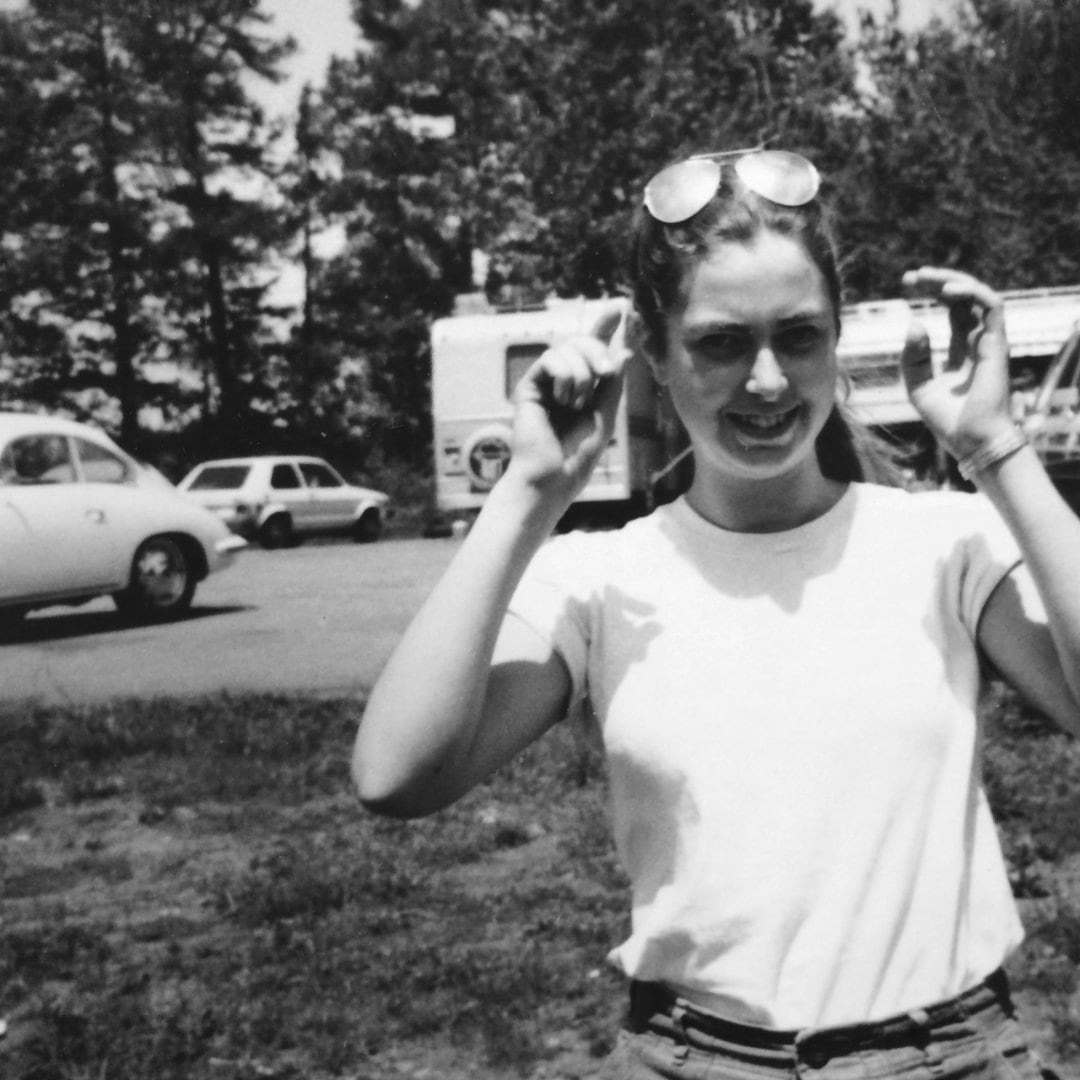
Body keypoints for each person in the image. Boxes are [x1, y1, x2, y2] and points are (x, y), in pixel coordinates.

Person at [353, 147, 1079, 1079]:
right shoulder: (599, 575)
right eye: (723, 342)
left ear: (836, 338)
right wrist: (529, 493)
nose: (769, 381)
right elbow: (394, 774)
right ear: (653, 353)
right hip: (693, 1060)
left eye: (801, 337)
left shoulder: (948, 542)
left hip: (951, 1056)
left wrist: (998, 450)